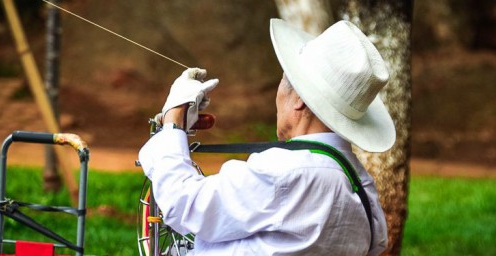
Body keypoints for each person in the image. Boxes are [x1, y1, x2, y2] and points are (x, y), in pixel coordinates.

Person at [138, 18, 396, 255]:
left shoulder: (284, 171)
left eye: (285, 80)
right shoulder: (364, 189)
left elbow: (183, 204)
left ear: (299, 101)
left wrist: (173, 120)